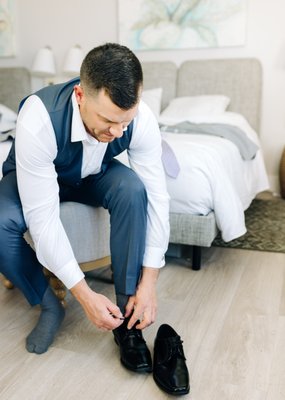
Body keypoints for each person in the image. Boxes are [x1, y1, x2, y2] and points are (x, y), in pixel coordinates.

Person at [0, 43, 170, 373]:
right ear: (80, 95)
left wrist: (150, 283)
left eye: (125, 122)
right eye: (108, 120)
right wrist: (84, 295)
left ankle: (126, 318)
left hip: (92, 174)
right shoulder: (39, 118)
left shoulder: (140, 117)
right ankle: (49, 305)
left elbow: (158, 198)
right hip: (32, 175)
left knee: (133, 189)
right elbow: (44, 220)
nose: (118, 132)